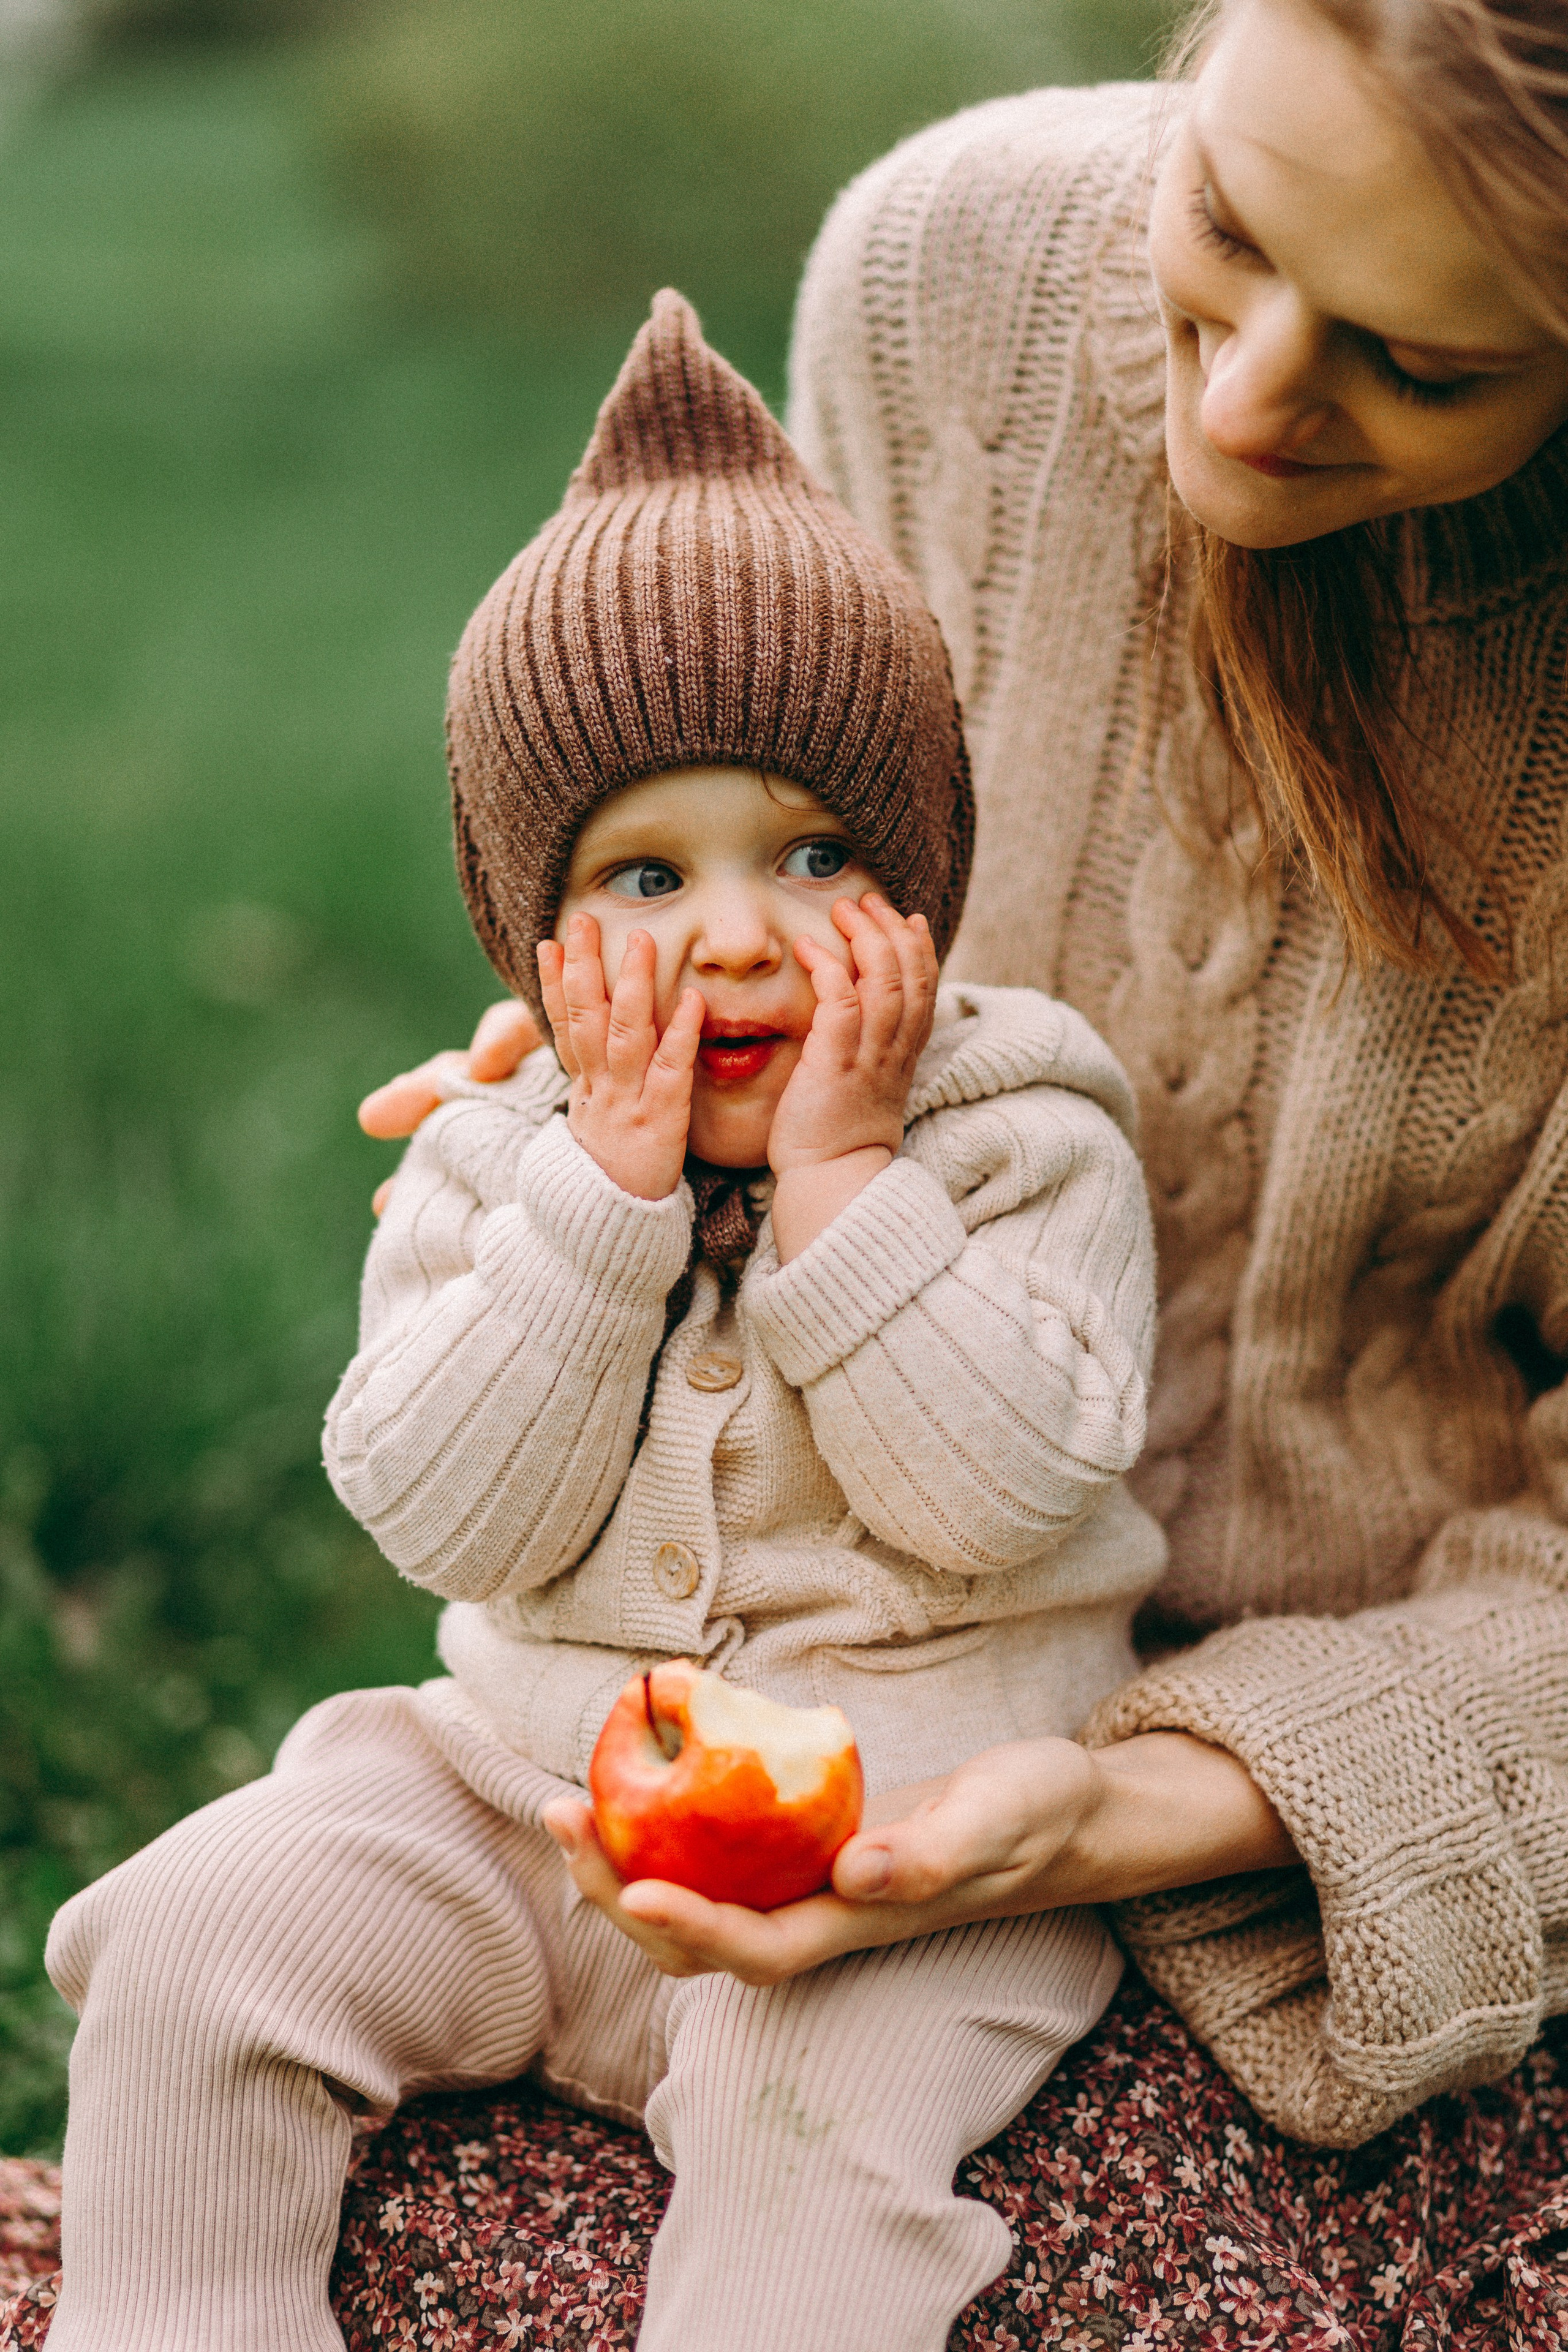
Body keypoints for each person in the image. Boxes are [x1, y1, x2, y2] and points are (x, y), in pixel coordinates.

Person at [360, 0, 1568, 2242]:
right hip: (830, 1647)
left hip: (1357, 1798)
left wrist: (1154, 1803)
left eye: (1423, 364)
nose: (1249, 399)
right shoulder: (953, 278)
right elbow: (824, 819)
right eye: (1227, 225)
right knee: (304, 2087)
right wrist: (661, 1070)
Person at [39, 292, 1179, 2352]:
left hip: (904, 1866)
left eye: (817, 854)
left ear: (924, 886)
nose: (735, 935)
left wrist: (847, 1190)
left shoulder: (1025, 1135)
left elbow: (1008, 1493)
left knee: (808, 2151)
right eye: (646, 878)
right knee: (196, 1937)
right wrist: (597, 1215)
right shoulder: (504, 1158)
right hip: (523, 1799)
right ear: (530, 930)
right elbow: (440, 1515)